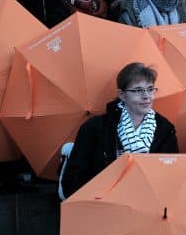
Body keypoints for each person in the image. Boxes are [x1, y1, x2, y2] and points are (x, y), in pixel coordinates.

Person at [61, 62, 179, 197]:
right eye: (138, 90)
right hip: (103, 198)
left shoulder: (165, 129)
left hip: (147, 199)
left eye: (150, 89)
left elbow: (171, 175)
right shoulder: (95, 128)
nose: (146, 96)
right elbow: (73, 180)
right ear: (122, 95)